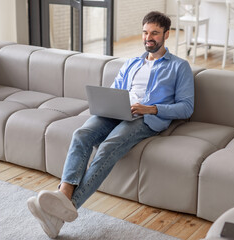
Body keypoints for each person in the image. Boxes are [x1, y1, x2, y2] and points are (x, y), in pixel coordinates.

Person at [27, 11, 194, 238]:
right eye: (145, 32)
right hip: (118, 111)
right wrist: (110, 102)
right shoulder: (132, 63)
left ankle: (66, 207)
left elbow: (186, 107)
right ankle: (63, 196)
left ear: (166, 34)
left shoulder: (179, 67)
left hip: (147, 118)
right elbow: (116, 89)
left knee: (108, 147)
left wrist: (151, 108)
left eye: (154, 33)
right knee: (81, 134)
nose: (148, 37)